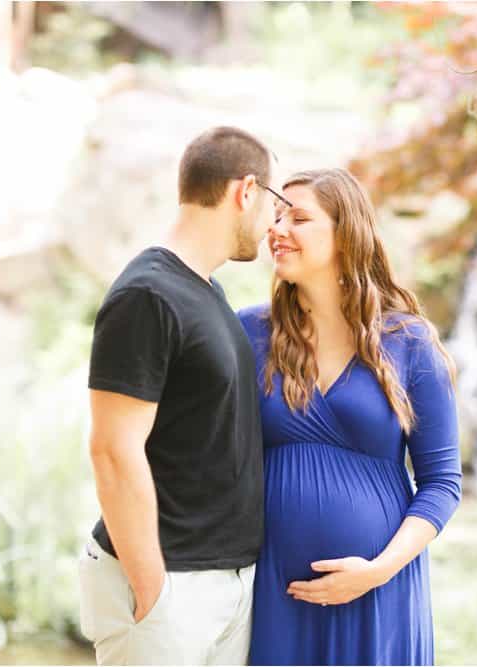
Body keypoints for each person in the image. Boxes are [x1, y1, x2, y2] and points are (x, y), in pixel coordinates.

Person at [238, 168, 462, 665]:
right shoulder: (249, 333)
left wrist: (377, 571)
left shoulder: (409, 340)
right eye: (276, 217)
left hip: (379, 590)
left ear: (346, 234)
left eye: (298, 218)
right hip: (276, 588)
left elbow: (443, 482)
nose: (277, 229)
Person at [78, 126, 280, 665]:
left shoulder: (207, 290)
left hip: (224, 583)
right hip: (170, 587)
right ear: (246, 191)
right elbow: (112, 450)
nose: (271, 224)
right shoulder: (148, 294)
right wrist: (153, 592)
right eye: (273, 203)